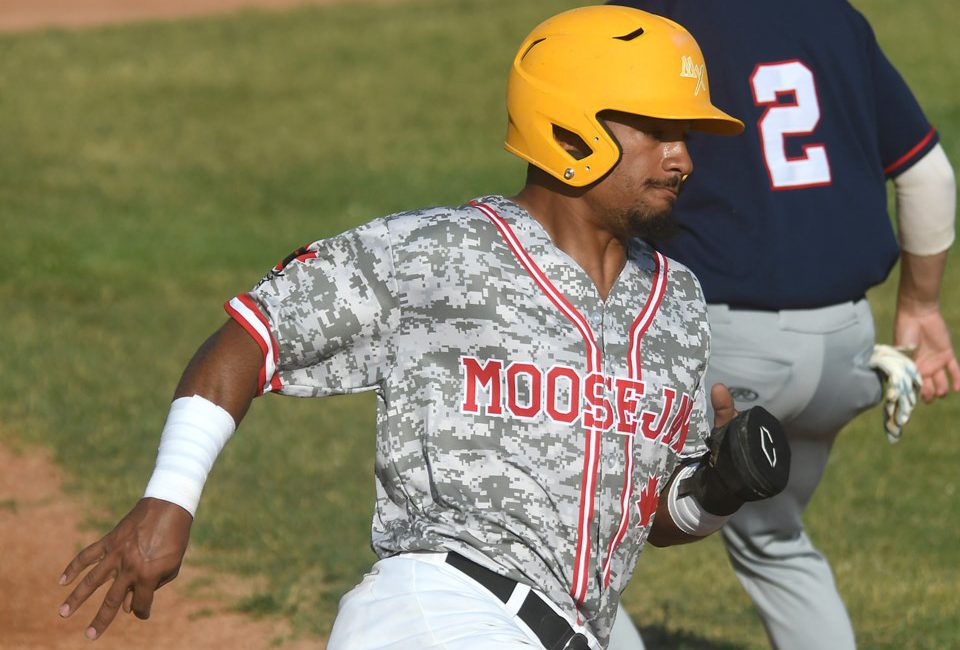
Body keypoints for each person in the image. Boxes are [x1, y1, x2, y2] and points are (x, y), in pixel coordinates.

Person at [57, 7, 793, 649]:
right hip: (437, 614)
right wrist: (169, 496)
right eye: (658, 130)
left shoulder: (677, 304)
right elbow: (256, 335)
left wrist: (719, 487)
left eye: (684, 135)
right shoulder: (435, 255)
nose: (682, 158)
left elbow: (651, 516)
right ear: (571, 131)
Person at [605, 1, 959, 649]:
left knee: (593, 530)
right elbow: (929, 176)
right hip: (846, 348)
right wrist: (921, 307)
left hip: (725, 347)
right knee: (774, 539)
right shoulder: (834, 16)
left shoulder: (654, 17)